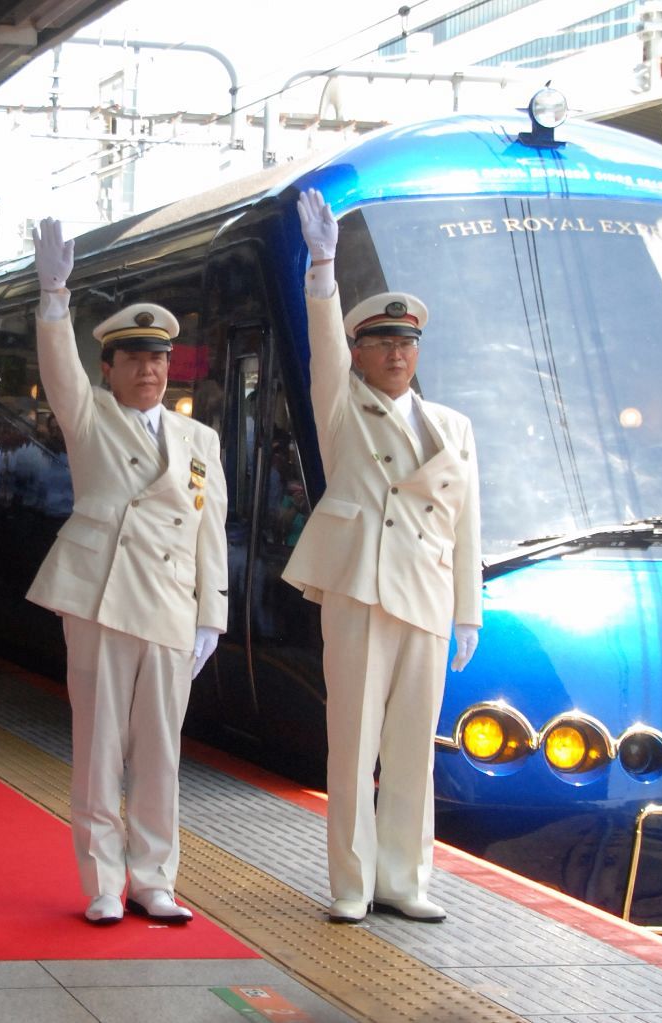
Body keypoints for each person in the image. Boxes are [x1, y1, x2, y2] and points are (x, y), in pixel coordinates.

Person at [281, 189, 482, 925]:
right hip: (361, 588)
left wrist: (468, 610)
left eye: (407, 344)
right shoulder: (343, 408)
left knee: (412, 749)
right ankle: (350, 881)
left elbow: (466, 525)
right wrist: (323, 270)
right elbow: (322, 350)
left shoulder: (453, 426)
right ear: (360, 352)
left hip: (426, 593)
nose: (397, 354)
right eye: (383, 343)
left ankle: (405, 878)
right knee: (353, 742)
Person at [26, 219, 228, 926]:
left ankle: (153, 878)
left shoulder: (199, 438)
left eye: (159, 359)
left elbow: (209, 531)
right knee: (99, 748)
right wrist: (54, 296)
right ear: (107, 368)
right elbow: (60, 368)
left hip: (171, 606)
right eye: (134, 359)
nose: (149, 370)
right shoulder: (89, 418)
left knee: (161, 754)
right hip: (102, 600)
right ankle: (103, 881)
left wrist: (212, 616)